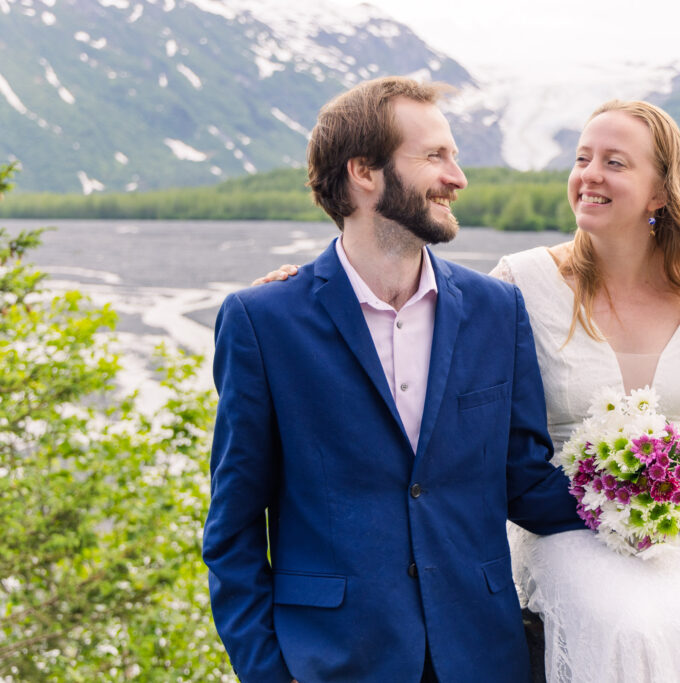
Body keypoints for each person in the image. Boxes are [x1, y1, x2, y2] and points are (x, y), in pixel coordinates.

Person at [251, 90, 680, 681]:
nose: (589, 174)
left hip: (674, 515)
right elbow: (407, 315)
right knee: (631, 626)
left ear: (661, 192)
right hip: (571, 524)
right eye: (582, 158)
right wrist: (305, 293)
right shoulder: (519, 285)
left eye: (614, 162)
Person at [202, 76, 591, 683]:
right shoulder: (263, 322)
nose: (458, 178)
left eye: (454, 156)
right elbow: (234, 530)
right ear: (364, 171)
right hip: (333, 662)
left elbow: (525, 483)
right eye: (435, 156)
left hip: (484, 657)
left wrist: (660, 499)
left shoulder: (497, 311)